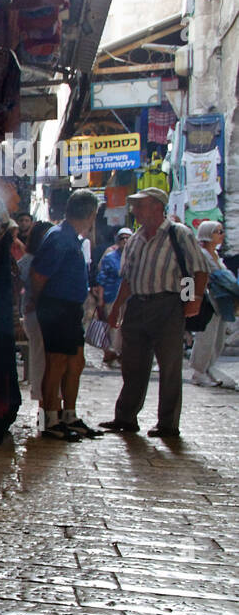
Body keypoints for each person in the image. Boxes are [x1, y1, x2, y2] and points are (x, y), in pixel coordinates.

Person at [100, 187, 211, 439]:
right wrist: (118, 306)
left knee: (169, 365)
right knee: (132, 363)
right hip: (138, 305)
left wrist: (192, 300)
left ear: (157, 207)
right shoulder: (136, 238)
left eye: (141, 205)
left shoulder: (178, 234)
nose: (135, 210)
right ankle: (125, 417)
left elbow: (197, 269)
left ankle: (168, 423)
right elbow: (127, 277)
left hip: (168, 304)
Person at [30, 190, 102, 440]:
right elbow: (39, 276)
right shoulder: (59, 237)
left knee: (75, 361)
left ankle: (68, 415)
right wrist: (37, 302)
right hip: (56, 306)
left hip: (69, 308)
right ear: (91, 214)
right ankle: (50, 419)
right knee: (56, 362)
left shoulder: (73, 237)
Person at [189, 221, 239, 389]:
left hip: (220, 302)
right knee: (206, 337)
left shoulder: (216, 255)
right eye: (218, 231)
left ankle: (208, 367)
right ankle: (199, 371)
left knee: (218, 338)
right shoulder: (202, 254)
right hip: (207, 301)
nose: (222, 235)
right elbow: (219, 277)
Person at [18, 220, 53, 415]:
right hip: (36, 316)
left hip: (36, 316)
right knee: (42, 361)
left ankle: (46, 409)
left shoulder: (29, 260)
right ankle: (43, 411)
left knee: (42, 360)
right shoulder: (32, 260)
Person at [94, 228, 133, 366]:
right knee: (113, 328)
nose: (125, 241)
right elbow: (102, 278)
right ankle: (113, 354)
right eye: (122, 238)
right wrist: (101, 298)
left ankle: (124, 354)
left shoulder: (134, 257)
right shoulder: (110, 257)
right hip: (112, 296)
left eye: (128, 238)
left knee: (127, 328)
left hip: (130, 299)